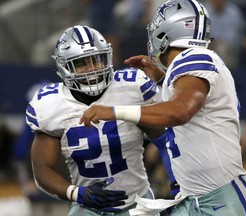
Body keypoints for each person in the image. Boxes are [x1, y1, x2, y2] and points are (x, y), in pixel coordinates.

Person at [80, 0, 246, 215]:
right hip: (196, 199)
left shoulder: (195, 56)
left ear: (167, 30)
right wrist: (163, 80)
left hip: (224, 199)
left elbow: (180, 111)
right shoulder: (188, 66)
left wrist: (115, 111)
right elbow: (189, 108)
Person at [26, 25, 176, 216]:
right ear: (65, 67)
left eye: (96, 60)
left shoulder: (131, 87)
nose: (92, 69)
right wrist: (77, 193)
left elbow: (165, 141)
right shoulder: (50, 105)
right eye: (82, 63)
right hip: (88, 206)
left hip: (138, 203)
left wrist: (176, 183)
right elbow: (42, 170)